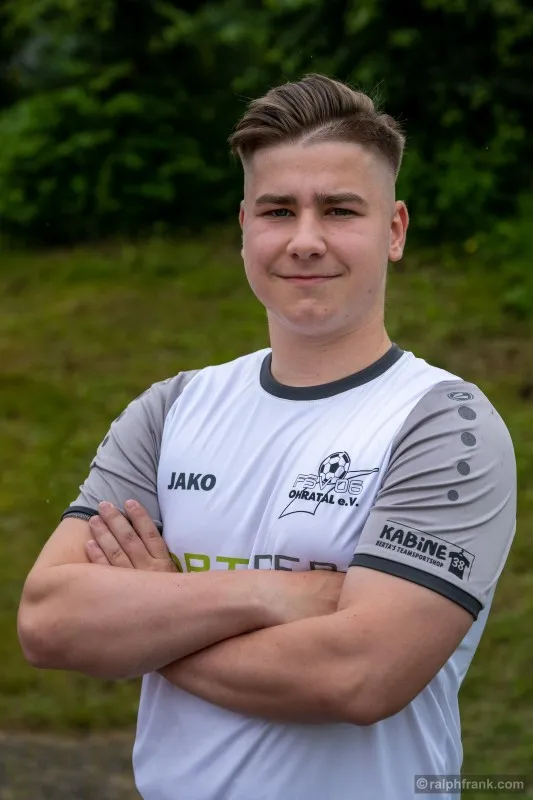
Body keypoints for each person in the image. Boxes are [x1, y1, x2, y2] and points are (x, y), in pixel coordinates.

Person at [18, 74, 516, 800]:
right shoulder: (170, 409)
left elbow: (357, 676)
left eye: (339, 209)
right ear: (244, 227)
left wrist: (155, 620)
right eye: (278, 210)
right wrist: (272, 594)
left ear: (394, 230)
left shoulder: (444, 425)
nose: (305, 240)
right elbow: (50, 620)